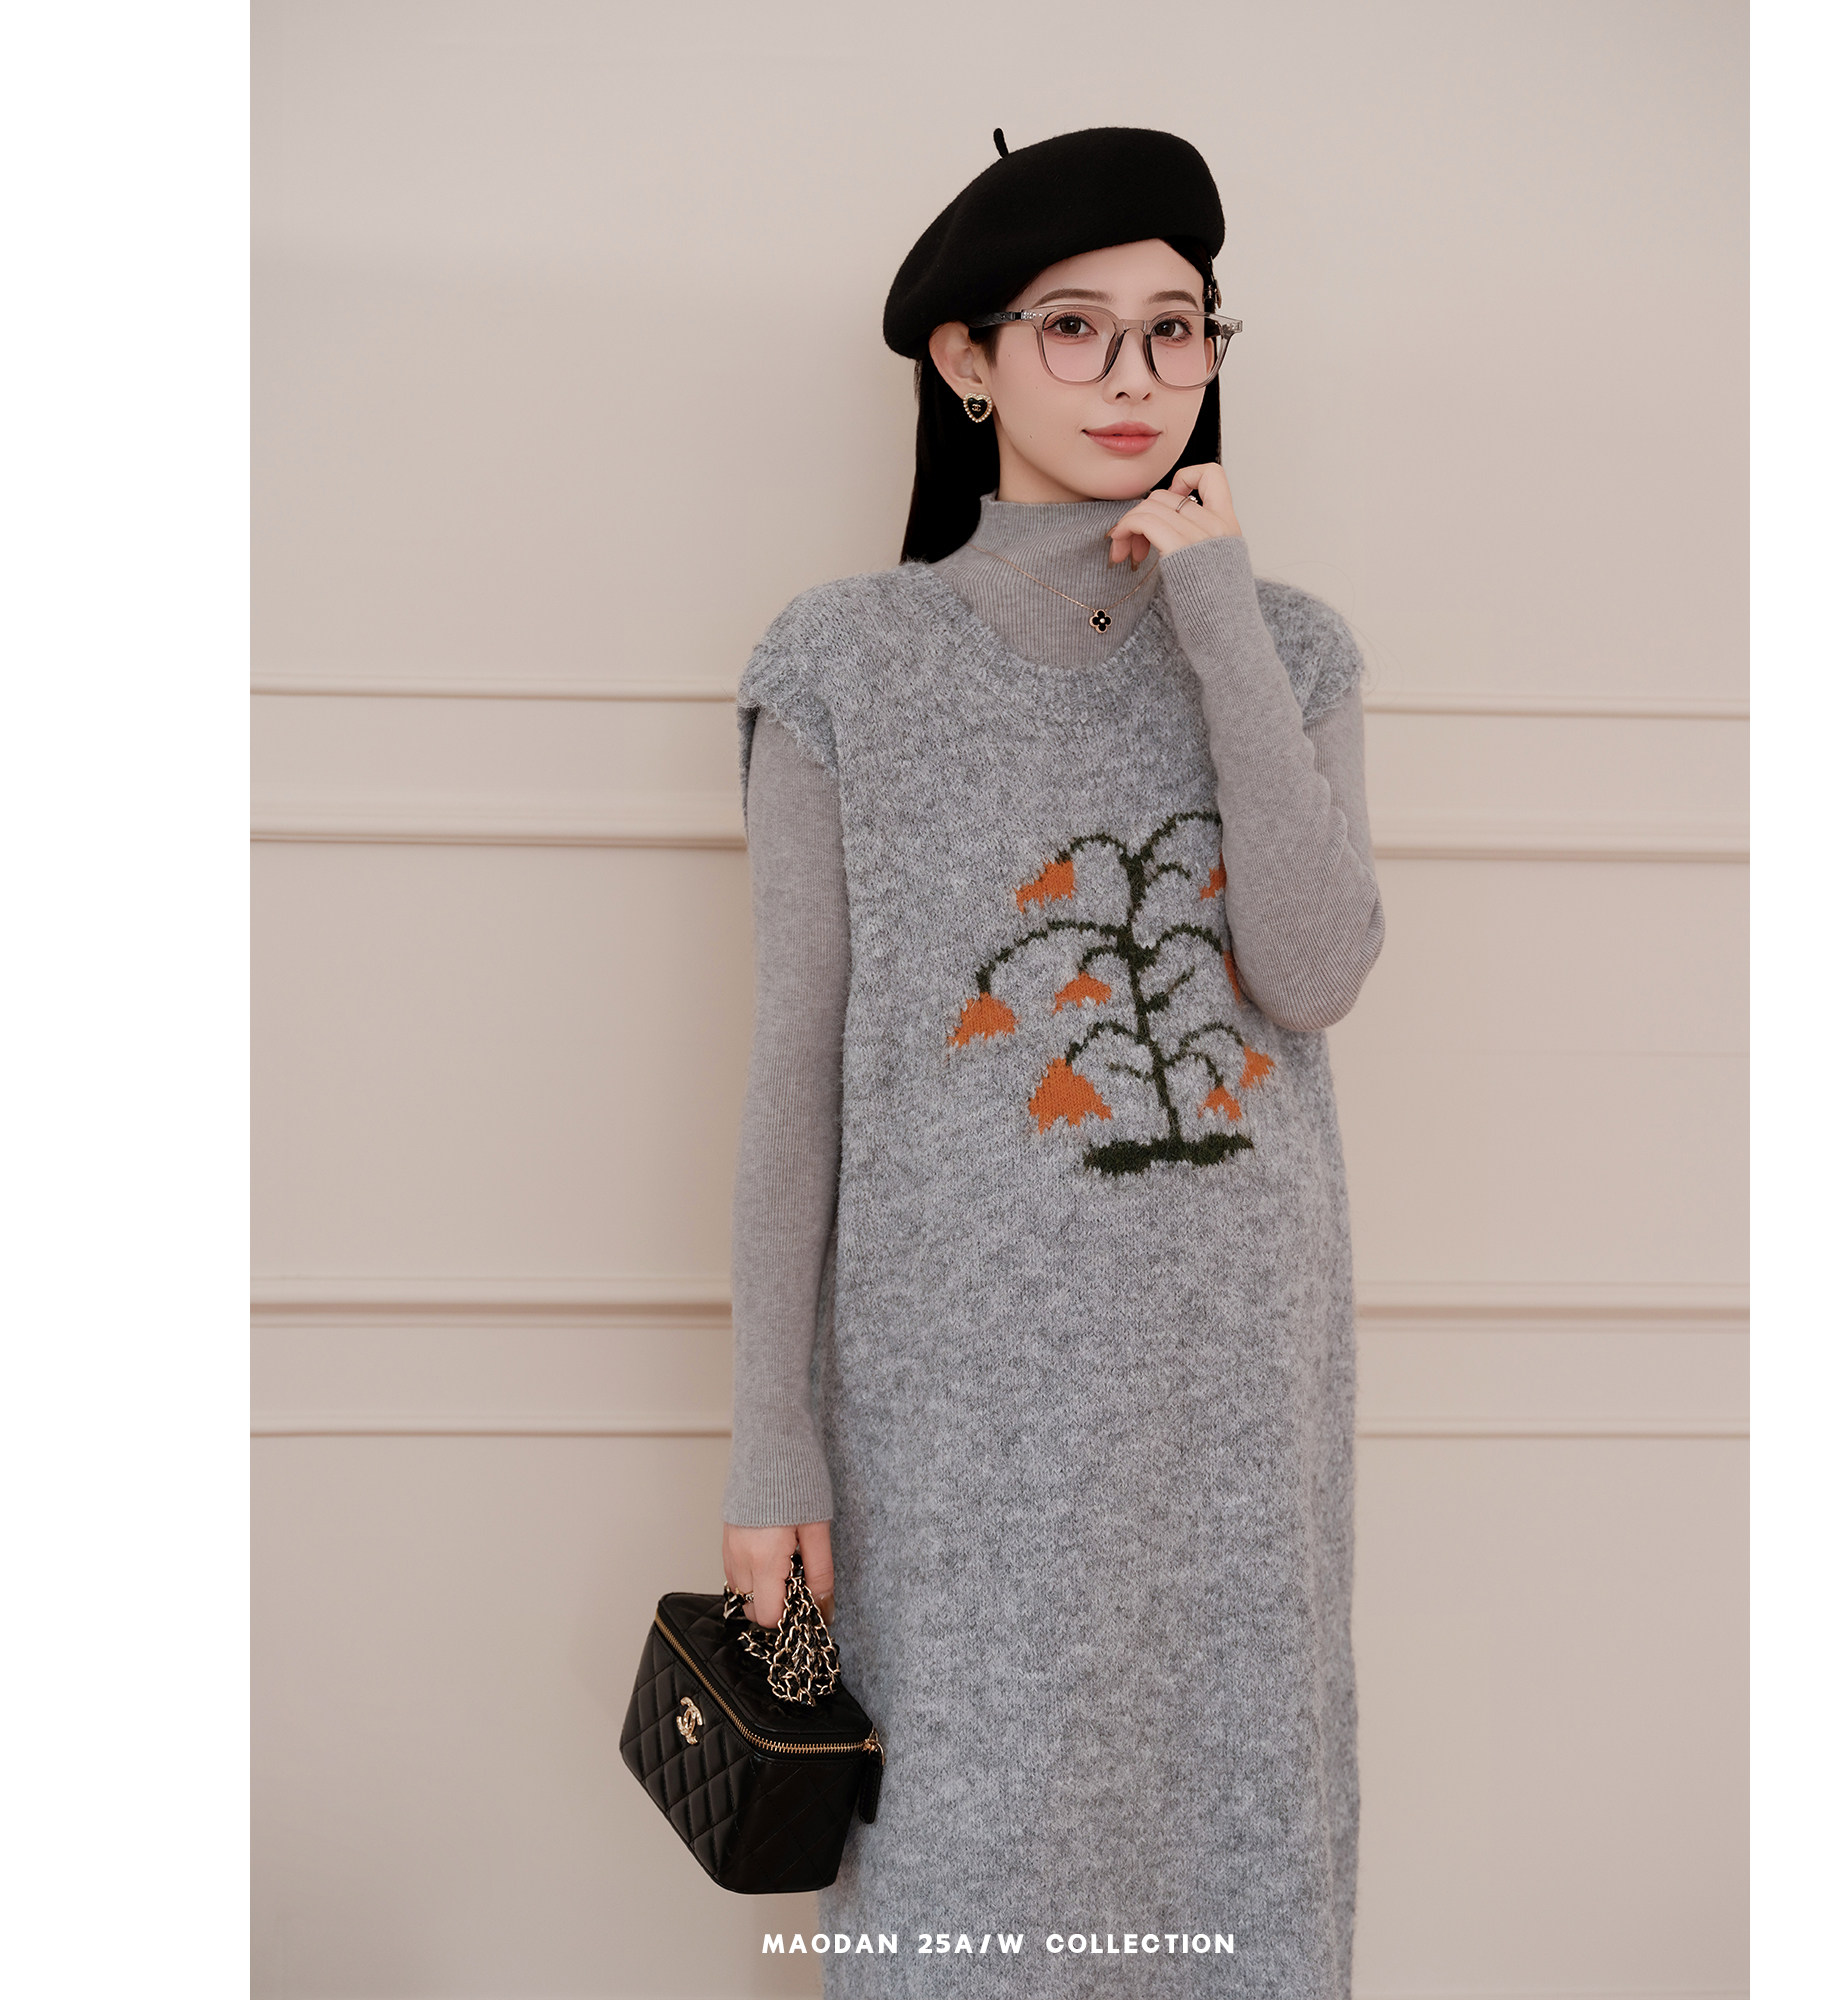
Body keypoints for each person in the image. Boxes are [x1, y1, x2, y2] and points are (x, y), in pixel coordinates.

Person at [718, 125, 1385, 1996]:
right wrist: (770, 1440)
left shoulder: (1294, 649)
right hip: (953, 1413)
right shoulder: (842, 664)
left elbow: (1315, 972)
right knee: (967, 1888)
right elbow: (792, 1076)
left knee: (1246, 1865)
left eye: (1177, 328)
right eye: (1075, 328)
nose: (1135, 375)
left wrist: (1219, 611)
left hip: (1234, 1403)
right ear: (968, 359)